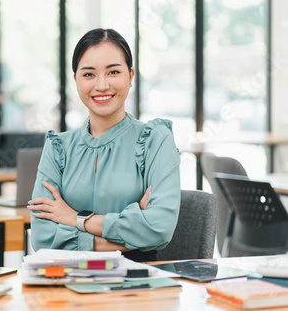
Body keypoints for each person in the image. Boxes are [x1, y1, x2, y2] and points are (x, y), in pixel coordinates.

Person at [27, 28, 181, 262]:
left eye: (113, 72)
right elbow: (43, 239)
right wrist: (130, 229)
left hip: (135, 285)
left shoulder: (155, 140)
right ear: (76, 80)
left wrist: (75, 219)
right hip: (66, 283)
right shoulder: (58, 147)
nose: (101, 85)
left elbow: (157, 229)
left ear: (130, 76)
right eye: (89, 74)